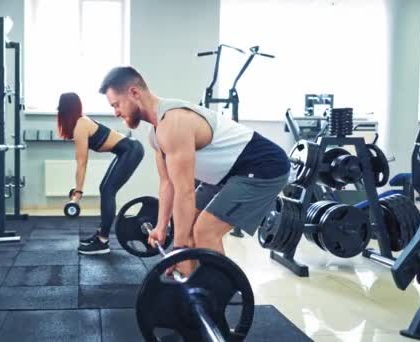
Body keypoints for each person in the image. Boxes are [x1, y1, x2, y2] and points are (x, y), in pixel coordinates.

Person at [98, 67, 290, 274]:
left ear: (134, 93)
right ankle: (192, 287)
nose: (116, 112)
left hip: (263, 166)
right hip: (224, 174)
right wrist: (161, 227)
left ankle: (218, 296)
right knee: (186, 228)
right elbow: (167, 183)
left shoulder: (174, 122)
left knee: (205, 231)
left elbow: (185, 191)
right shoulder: (156, 133)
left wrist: (178, 250)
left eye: (116, 105)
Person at [57, 92, 144, 255]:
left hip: (131, 150)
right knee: (105, 189)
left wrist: (78, 193)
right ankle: (101, 235)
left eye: (60, 108)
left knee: (108, 190)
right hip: (126, 151)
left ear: (65, 109)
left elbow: (82, 163)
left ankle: (103, 241)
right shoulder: (80, 122)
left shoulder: (81, 124)